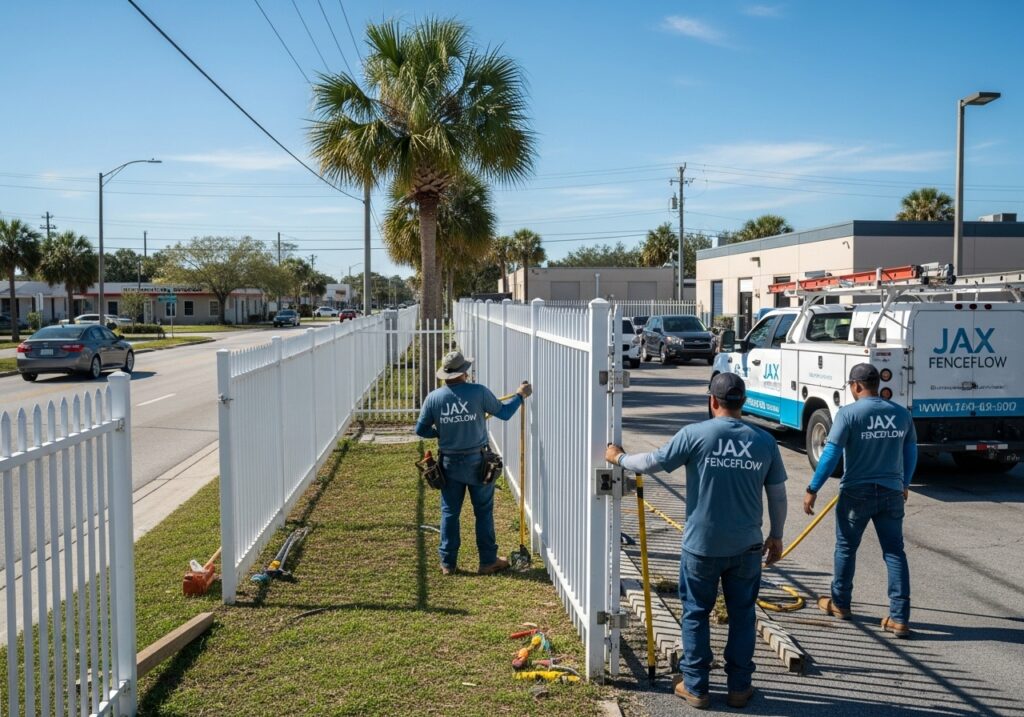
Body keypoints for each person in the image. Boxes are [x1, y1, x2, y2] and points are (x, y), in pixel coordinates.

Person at [606, 373, 787, 710]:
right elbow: (777, 494)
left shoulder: (695, 435)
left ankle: (697, 687)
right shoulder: (764, 442)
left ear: (713, 401)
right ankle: (739, 687)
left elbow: (652, 462)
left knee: (695, 613)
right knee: (743, 615)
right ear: (743, 402)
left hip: (702, 546)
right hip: (747, 547)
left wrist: (618, 458)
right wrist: (776, 535)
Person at [804, 363, 917, 638]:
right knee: (894, 553)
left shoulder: (848, 414)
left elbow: (830, 454)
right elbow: (911, 450)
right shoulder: (901, 414)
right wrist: (904, 483)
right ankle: (900, 618)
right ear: (876, 384)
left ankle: (840, 603)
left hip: (856, 493)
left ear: (856, 386)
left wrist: (813, 487)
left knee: (845, 548)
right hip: (891, 492)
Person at [415, 350, 532, 576]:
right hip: (478, 463)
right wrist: (520, 395)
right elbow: (505, 413)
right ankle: (488, 561)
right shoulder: (478, 392)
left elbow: (420, 429)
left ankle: (447, 563)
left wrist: (441, 433)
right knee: (483, 511)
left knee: (450, 513)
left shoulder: (434, 398)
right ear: (464, 372)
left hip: (448, 463)